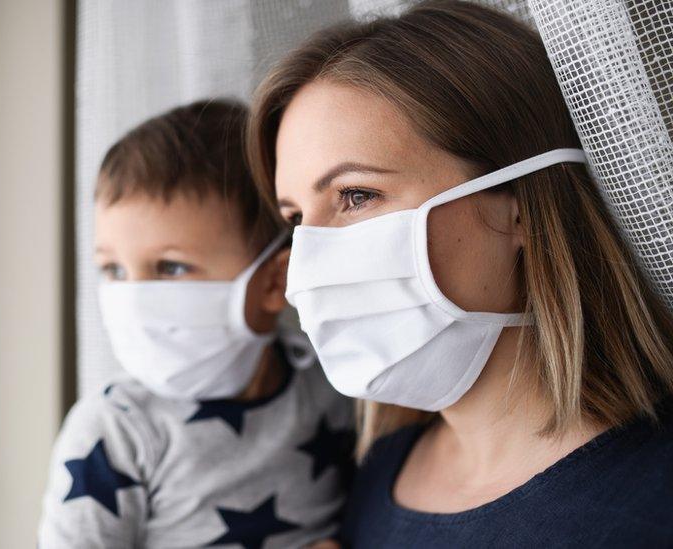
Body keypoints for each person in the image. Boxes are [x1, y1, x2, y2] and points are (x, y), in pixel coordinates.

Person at [246, 1, 673, 547]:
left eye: (356, 195)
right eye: (296, 218)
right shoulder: (374, 474)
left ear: (518, 203)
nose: (305, 263)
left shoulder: (651, 503)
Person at [38, 99, 353, 548]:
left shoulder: (330, 387)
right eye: (113, 270)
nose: (133, 298)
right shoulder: (114, 431)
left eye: (170, 268)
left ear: (273, 281)